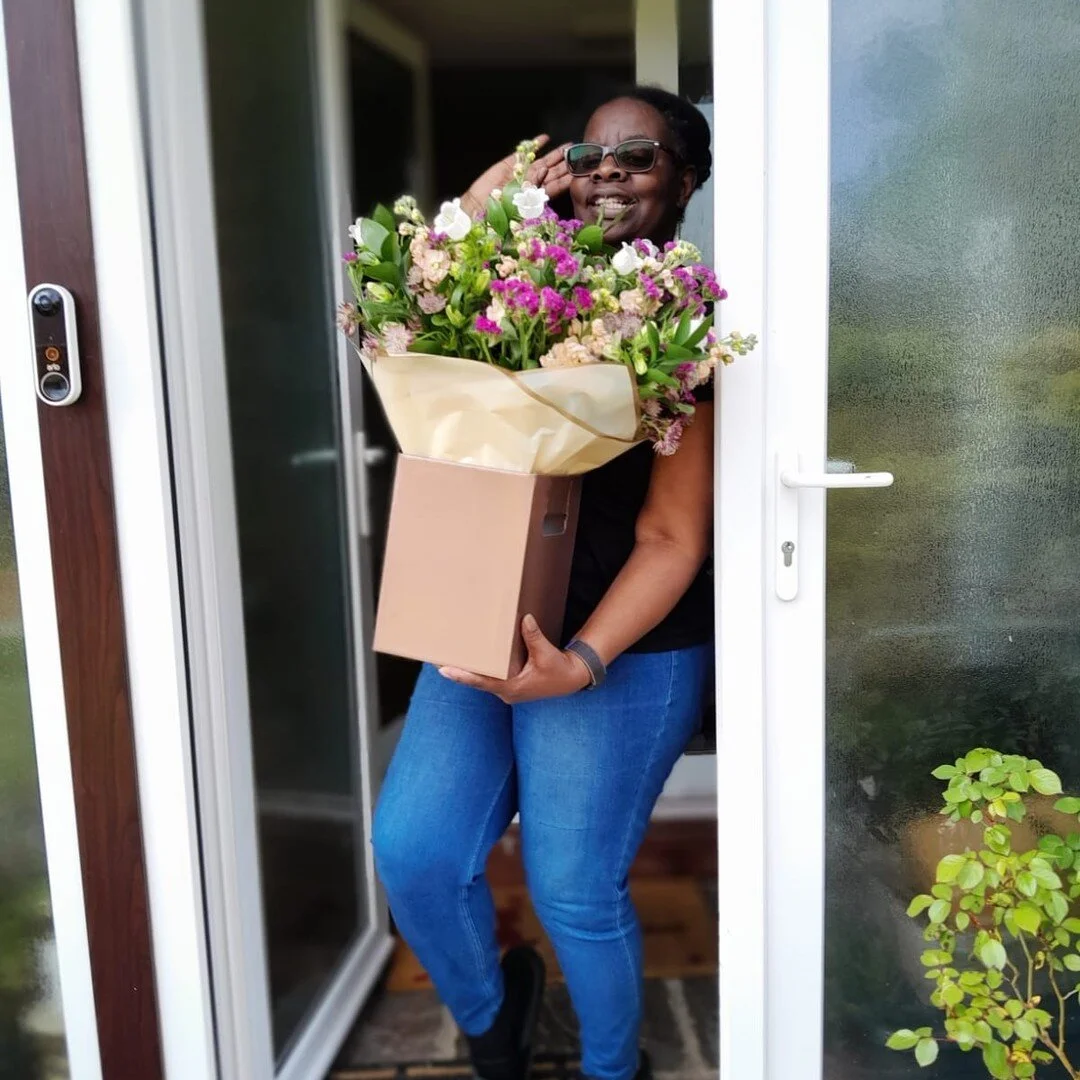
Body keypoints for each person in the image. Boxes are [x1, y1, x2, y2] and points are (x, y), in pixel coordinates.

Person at [372, 86, 715, 1080]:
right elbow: (426, 283)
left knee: (570, 887)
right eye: (589, 153)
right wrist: (497, 196)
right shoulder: (510, 300)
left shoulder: (684, 328)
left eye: (639, 155)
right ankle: (494, 1017)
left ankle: (617, 1068)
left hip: (624, 645)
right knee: (419, 855)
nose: (609, 169)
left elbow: (669, 534)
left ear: (684, 181)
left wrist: (582, 660)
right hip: (490, 624)